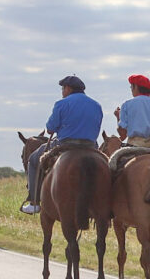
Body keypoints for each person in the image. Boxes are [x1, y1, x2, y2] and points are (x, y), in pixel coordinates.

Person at [21, 75, 104, 214]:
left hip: (65, 144)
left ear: (68, 88)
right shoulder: (96, 105)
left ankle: (34, 202)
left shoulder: (62, 103)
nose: (62, 91)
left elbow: (50, 129)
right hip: (91, 146)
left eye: (63, 88)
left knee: (34, 160)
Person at [113, 74, 150, 149]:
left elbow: (123, 134)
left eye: (131, 87)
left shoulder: (127, 105)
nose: (131, 89)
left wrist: (118, 117)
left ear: (136, 87)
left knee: (114, 160)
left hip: (133, 147)